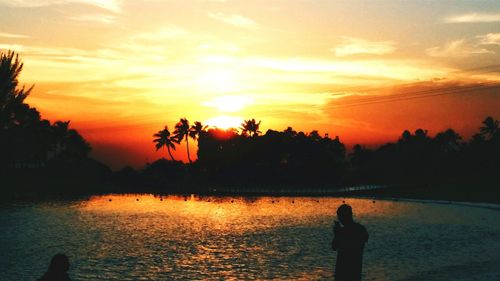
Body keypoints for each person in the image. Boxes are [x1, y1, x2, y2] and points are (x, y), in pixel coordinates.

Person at [331, 204, 368, 281]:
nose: (340, 220)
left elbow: (334, 246)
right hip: (355, 269)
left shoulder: (343, 231)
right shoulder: (361, 229)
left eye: (340, 217)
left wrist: (337, 234)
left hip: (343, 270)